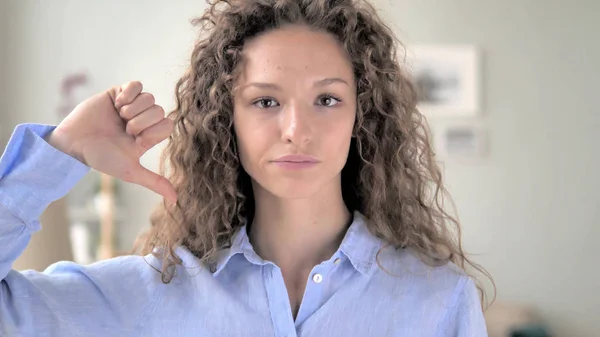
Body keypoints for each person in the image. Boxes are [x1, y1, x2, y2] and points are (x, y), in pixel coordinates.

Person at [0, 0, 492, 336]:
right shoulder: (154, 293)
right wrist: (61, 150)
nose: (296, 129)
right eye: (265, 101)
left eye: (326, 98)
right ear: (225, 120)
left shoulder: (438, 300)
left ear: (361, 116)